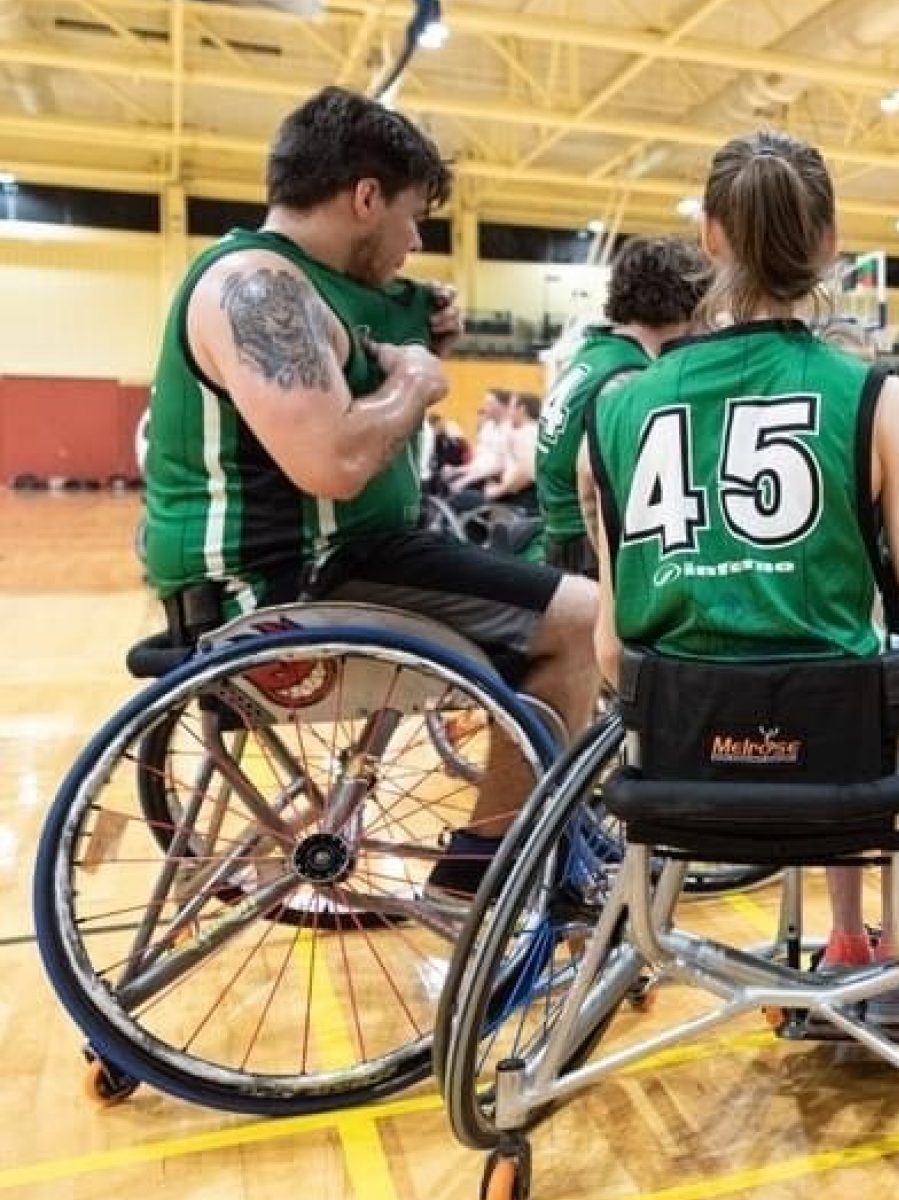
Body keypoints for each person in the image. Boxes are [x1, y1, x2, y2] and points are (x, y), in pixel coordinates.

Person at [576, 128, 899, 1035]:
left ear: (709, 239)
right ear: (830, 243)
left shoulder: (614, 408)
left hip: (675, 778)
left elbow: (610, 648)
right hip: (843, 776)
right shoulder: (886, 403)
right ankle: (867, 943)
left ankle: (842, 939)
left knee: (820, 679)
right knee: (873, 683)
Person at [136, 86, 600, 901]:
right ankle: (479, 878)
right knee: (583, 618)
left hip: (333, 562)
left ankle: (518, 823)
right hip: (295, 581)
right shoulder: (257, 286)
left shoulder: (303, 282)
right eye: (413, 216)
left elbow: (381, 324)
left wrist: (423, 331)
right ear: (364, 197)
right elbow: (333, 463)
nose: (415, 240)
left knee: (532, 595)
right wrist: (416, 385)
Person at [536, 235, 707, 574]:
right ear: (689, 308)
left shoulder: (593, 354)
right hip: (588, 546)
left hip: (561, 540)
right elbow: (601, 482)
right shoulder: (630, 377)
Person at [484, 392, 541, 510]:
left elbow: (526, 473)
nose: (509, 413)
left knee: (465, 500)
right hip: (517, 494)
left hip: (521, 498)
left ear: (522, 409)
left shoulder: (527, 433)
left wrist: (497, 491)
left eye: (511, 407)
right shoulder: (527, 432)